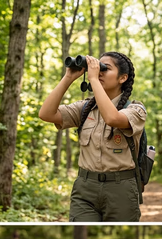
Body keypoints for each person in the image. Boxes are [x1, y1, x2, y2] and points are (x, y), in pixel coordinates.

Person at [39, 52, 146, 222]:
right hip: (85, 188)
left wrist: (94, 79)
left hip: (120, 189)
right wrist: (68, 77)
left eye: (105, 69)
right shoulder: (85, 108)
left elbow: (112, 118)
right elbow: (46, 114)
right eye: (97, 67)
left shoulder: (136, 110)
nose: (99, 71)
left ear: (122, 78)